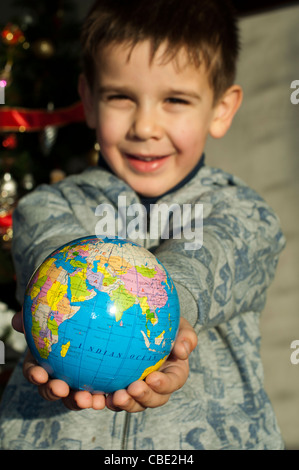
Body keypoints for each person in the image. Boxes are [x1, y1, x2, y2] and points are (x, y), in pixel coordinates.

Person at [0, 0, 285, 450]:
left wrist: (171, 309)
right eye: (121, 97)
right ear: (89, 102)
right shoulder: (47, 204)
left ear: (221, 109)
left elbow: (215, 252)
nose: (145, 126)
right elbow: (49, 248)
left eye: (175, 100)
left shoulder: (243, 211)